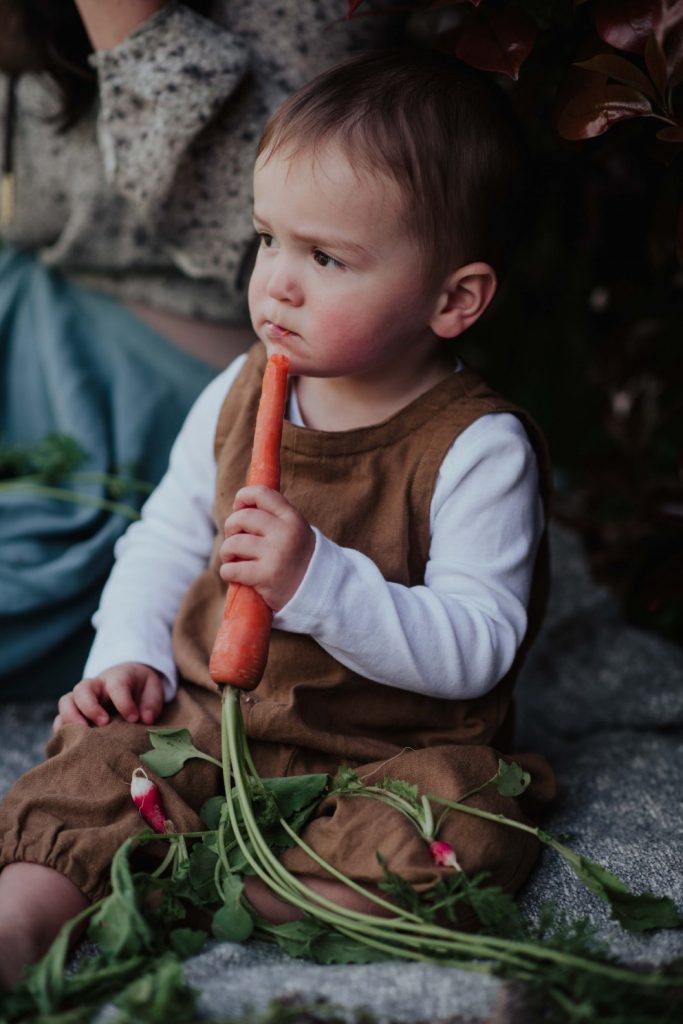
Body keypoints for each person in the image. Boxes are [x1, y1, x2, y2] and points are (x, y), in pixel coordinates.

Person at [0, 49, 556, 985]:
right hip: (204, 726)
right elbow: (167, 538)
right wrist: (125, 657)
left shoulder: (477, 447)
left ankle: (243, 886)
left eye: (326, 257)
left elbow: (480, 642)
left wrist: (316, 582)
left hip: (387, 750)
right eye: (268, 240)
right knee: (91, 771)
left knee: (462, 816)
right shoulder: (242, 387)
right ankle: (20, 924)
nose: (277, 284)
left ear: (452, 299)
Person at [0, 0, 390, 699]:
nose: (286, 270)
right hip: (28, 312)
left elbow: (262, 236)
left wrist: (128, 21)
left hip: (154, 388)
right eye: (274, 240)